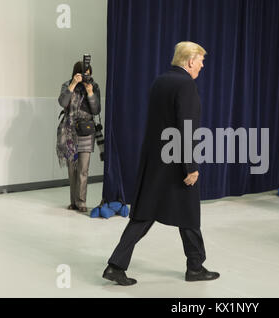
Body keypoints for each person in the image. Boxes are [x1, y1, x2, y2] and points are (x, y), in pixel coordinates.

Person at [103, 42, 220, 286]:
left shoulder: (161, 81)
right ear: (189, 61)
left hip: (155, 161)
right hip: (176, 162)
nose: (202, 65)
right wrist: (190, 166)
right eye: (200, 60)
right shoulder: (186, 84)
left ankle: (116, 265)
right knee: (188, 214)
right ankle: (195, 268)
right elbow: (185, 128)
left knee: (145, 214)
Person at [57, 61, 101, 213]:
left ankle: (81, 201)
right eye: (83, 74)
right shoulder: (67, 84)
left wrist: (90, 93)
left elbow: (96, 110)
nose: (86, 77)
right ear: (76, 74)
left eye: (88, 74)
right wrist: (73, 84)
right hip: (69, 131)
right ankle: (73, 201)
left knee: (83, 169)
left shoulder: (94, 86)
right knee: (72, 169)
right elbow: (63, 102)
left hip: (86, 130)